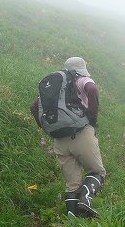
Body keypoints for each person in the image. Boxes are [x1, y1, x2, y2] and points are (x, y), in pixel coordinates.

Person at [31, 57, 106, 217]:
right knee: (97, 172)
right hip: (80, 132)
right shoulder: (80, 79)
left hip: (59, 138)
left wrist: (46, 128)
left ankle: (73, 224)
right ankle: (85, 201)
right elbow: (92, 89)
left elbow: (34, 106)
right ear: (81, 69)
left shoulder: (56, 85)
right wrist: (91, 119)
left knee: (72, 185)